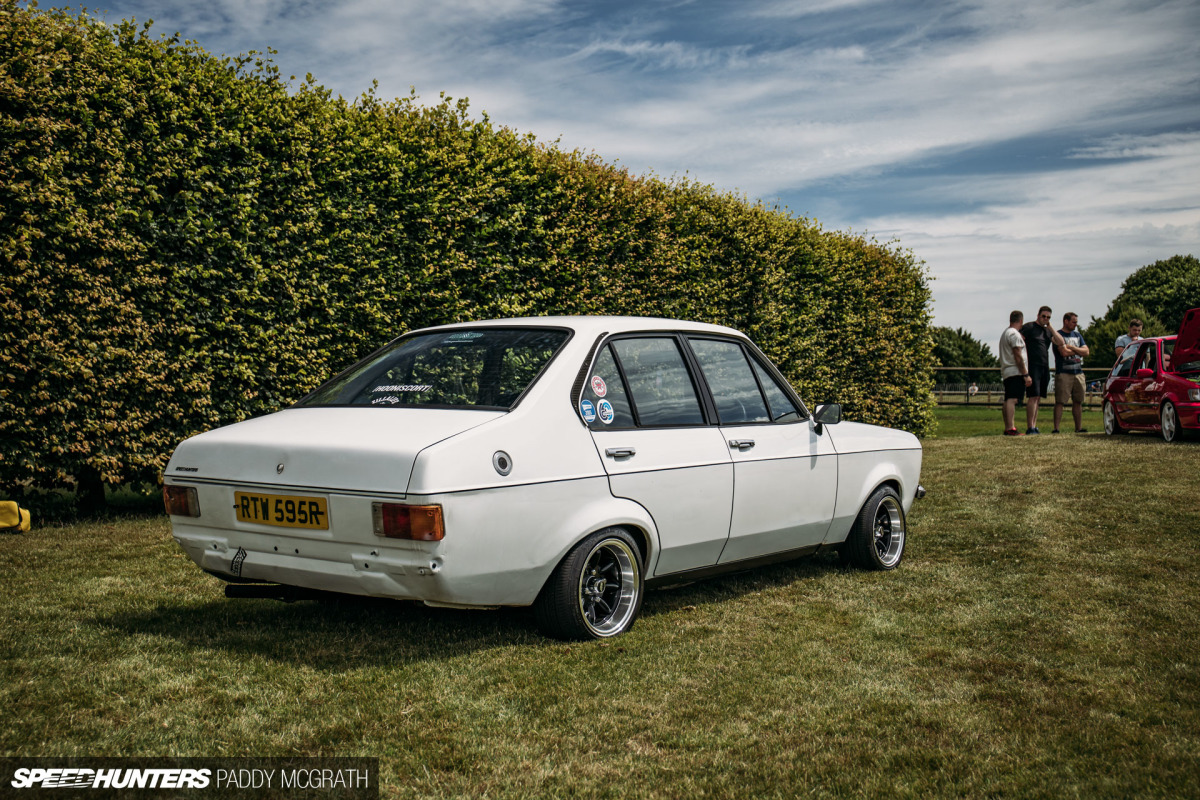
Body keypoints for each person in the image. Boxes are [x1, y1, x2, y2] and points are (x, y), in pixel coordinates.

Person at [1019, 306, 1067, 435]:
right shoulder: (1029, 327)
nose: (1045, 319)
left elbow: (1061, 342)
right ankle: (1030, 427)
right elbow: (1018, 341)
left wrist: (1050, 327)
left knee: (1038, 397)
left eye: (1048, 317)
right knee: (1033, 396)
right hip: (1032, 365)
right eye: (1043, 316)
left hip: (1044, 366)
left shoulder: (1047, 331)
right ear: (1038, 315)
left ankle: (1034, 426)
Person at [1053, 312, 1090, 433]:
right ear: (1066, 321)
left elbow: (1086, 352)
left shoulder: (1078, 335)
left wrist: (1072, 348)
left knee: (1078, 401)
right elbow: (1063, 352)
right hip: (1063, 372)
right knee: (1060, 401)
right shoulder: (1058, 335)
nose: (1075, 324)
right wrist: (1079, 350)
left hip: (1078, 372)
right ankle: (1056, 428)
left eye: (1076, 322)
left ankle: (1078, 428)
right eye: (1073, 322)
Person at [999, 310, 1031, 436]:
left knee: (1008, 399)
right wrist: (1025, 374)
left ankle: (1008, 427)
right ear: (1021, 321)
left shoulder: (1006, 333)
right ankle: (1010, 427)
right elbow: (1018, 355)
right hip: (1015, 371)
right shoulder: (1014, 334)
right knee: (1012, 399)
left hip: (1007, 370)